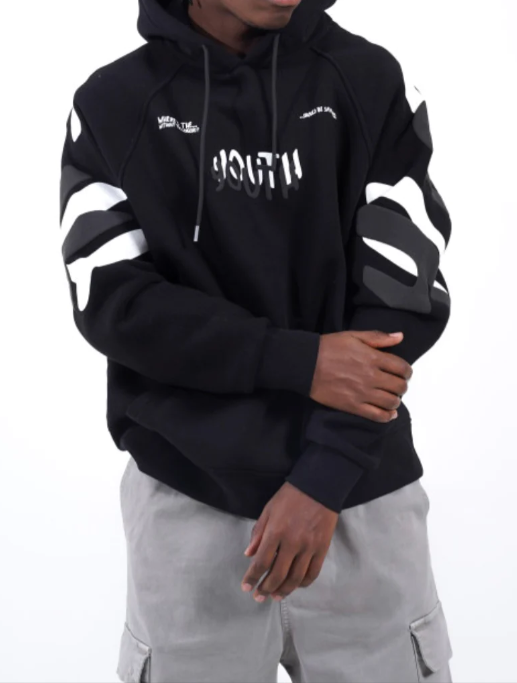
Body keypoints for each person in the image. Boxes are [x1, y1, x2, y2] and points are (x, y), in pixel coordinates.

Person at [59, 0, 454, 680]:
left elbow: (402, 294)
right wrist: (298, 361)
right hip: (189, 506)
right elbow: (115, 303)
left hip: (361, 498)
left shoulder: (367, 79)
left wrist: (323, 478)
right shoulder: (111, 104)